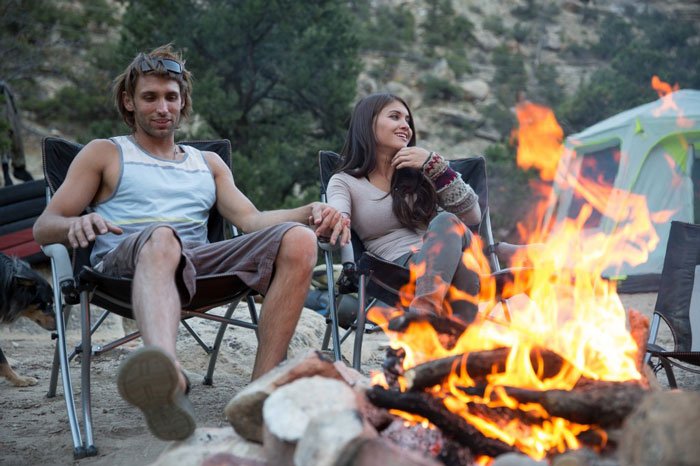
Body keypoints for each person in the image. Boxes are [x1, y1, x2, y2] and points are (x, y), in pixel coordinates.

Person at [33, 44, 349, 441]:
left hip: (199, 269)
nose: (162, 107)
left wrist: (310, 211)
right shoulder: (106, 153)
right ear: (129, 102)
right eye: (150, 97)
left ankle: (261, 391)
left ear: (183, 103)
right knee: (163, 236)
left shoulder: (209, 164)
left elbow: (251, 221)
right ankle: (167, 379)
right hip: (122, 268)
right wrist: (75, 225)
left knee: (300, 240)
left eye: (171, 97)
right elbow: (45, 226)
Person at [327, 93, 523, 324]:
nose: (405, 126)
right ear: (368, 124)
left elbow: (472, 215)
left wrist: (437, 168)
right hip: (397, 270)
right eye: (395, 117)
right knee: (457, 256)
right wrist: (334, 220)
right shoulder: (344, 181)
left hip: (457, 257)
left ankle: (423, 315)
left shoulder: (424, 172)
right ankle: (455, 336)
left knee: (447, 221)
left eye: (408, 120)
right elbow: (338, 216)